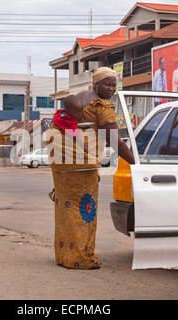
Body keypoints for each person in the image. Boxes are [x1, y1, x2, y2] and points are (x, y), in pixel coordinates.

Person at [48, 67, 134, 270]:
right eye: (107, 84)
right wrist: (134, 161)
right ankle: (81, 258)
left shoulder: (79, 97)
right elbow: (114, 140)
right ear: (96, 84)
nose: (111, 89)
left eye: (114, 85)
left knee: (65, 207)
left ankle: (65, 255)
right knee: (85, 209)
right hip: (82, 166)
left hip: (61, 164)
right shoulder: (102, 105)